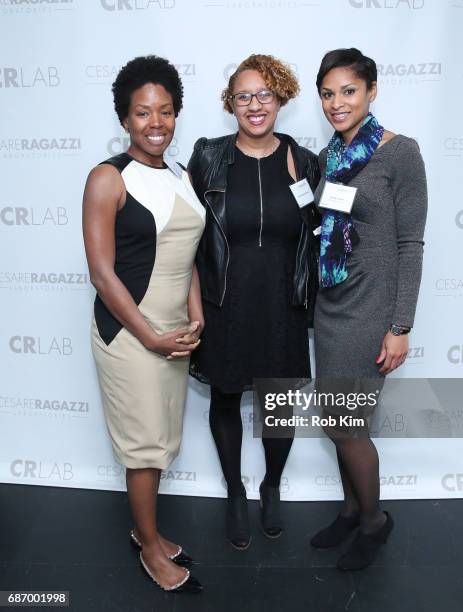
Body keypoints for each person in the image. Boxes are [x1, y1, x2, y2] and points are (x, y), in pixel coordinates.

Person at [82, 56, 205, 593]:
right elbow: (101, 273)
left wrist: (194, 311)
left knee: (163, 436)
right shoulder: (107, 178)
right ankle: (151, 548)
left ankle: (145, 529)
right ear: (124, 118)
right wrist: (150, 334)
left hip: (174, 330)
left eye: (166, 112)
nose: (155, 123)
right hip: (129, 332)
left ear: (176, 115)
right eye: (142, 113)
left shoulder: (181, 175)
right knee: (144, 445)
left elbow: (188, 255)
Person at [188, 54, 320, 549]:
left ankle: (270, 487)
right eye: (243, 96)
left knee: (279, 403)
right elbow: (187, 234)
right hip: (225, 301)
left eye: (265, 94)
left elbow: (323, 232)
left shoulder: (305, 162)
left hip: (283, 303)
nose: (255, 104)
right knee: (225, 395)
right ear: (231, 105)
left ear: (281, 98)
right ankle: (234, 493)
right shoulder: (209, 156)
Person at [310, 48, 427, 570]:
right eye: (329, 93)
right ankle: (353, 510)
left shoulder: (400, 153)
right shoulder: (329, 156)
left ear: (372, 91)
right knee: (339, 418)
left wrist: (400, 325)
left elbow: (410, 245)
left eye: (349, 91)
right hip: (331, 305)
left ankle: (375, 522)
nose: (337, 103)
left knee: (348, 425)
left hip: (372, 310)